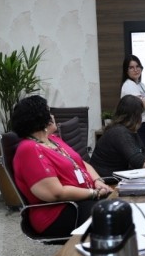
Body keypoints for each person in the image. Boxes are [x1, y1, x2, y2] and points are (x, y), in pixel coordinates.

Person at [12, 95, 113, 237]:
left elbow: (81, 163)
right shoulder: (29, 149)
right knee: (113, 214)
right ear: (41, 118)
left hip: (81, 200)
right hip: (58, 212)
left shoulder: (52, 140)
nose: (52, 115)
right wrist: (93, 193)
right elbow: (55, 193)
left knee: (122, 206)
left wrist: (97, 181)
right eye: (48, 111)